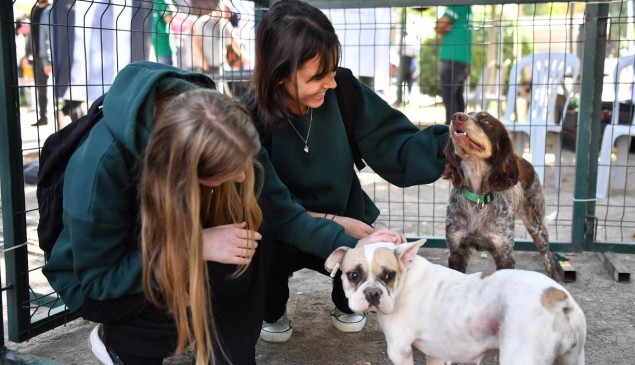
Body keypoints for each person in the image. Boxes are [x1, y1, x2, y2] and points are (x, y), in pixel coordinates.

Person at [42, 61, 402, 365]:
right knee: (209, 267)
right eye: (227, 172)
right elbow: (99, 280)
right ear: (182, 171)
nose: (243, 176)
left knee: (253, 226)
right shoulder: (101, 167)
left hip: (169, 241)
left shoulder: (223, 122)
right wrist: (194, 245)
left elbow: (283, 210)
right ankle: (123, 344)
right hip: (101, 281)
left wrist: (360, 248)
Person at [241, 0, 449, 343]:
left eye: (332, 71)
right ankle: (271, 307)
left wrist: (447, 151)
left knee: (359, 283)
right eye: (316, 76)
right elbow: (273, 209)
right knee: (262, 240)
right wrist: (336, 224)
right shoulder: (248, 119)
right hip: (283, 228)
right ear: (280, 75)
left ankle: (346, 300)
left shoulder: (345, 90)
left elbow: (393, 142)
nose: (331, 83)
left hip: (346, 217)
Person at [435, 5, 473, 125]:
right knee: (457, 96)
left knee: (449, 96)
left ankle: (450, 129)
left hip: (453, 58)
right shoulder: (467, 8)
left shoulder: (457, 4)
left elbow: (439, 26)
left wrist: (445, 27)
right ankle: (460, 128)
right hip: (464, 59)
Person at [29, 0, 52, 126]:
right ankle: (43, 116)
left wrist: (47, 59)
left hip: (50, 57)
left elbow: (48, 36)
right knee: (41, 89)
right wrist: (28, 54)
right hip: (37, 56)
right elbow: (32, 35)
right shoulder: (35, 10)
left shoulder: (51, 11)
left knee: (62, 88)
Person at [152, 0, 175, 65]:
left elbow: (168, 19)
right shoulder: (161, 2)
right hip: (160, 45)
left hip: (159, 45)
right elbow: (169, 19)